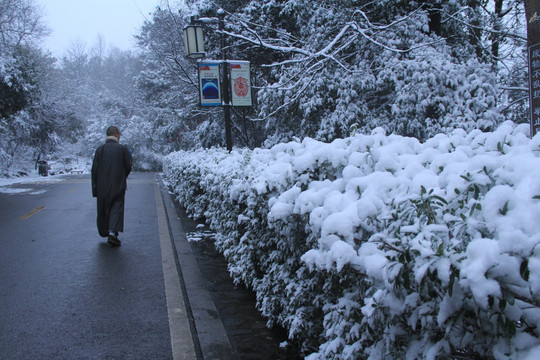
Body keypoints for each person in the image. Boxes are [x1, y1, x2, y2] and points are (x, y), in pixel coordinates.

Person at [91, 126, 132, 247]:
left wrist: (95, 188)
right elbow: (128, 166)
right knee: (116, 207)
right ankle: (112, 233)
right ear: (115, 134)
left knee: (104, 208)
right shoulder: (122, 149)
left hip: (102, 185)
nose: (120, 136)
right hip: (118, 183)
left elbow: (94, 170)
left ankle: (105, 230)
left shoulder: (100, 150)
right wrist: (122, 176)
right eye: (119, 134)